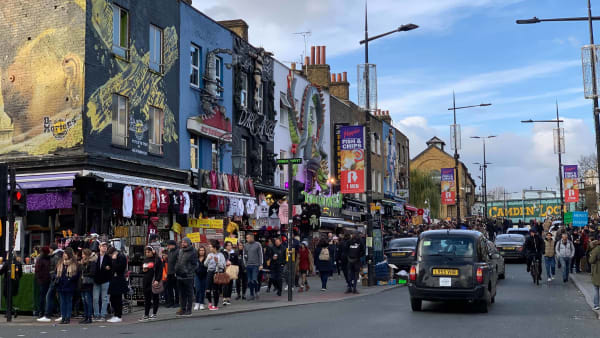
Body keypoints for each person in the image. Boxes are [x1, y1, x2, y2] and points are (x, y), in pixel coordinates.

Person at [37, 243, 63, 322]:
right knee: (58, 297)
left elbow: (56, 268)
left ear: (52, 249)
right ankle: (60, 314)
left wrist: (52, 274)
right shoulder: (58, 255)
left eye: (50, 249)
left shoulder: (55, 256)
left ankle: (48, 315)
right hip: (56, 278)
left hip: (55, 279)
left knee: (50, 296)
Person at [55, 247, 80, 324]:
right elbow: (56, 272)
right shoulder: (60, 262)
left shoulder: (74, 263)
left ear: (69, 254)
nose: (64, 255)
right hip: (61, 285)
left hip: (70, 285)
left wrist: (70, 279)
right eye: (63, 254)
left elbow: (76, 274)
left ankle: (68, 317)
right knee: (62, 302)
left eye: (65, 254)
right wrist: (56, 278)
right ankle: (63, 317)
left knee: (68, 301)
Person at [175, 237, 198, 316]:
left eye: (184, 242)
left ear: (188, 243)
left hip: (188, 276)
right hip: (179, 276)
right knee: (181, 294)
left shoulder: (193, 251)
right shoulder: (180, 251)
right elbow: (178, 261)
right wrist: (176, 269)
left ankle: (189, 310)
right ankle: (182, 309)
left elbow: (195, 265)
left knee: (189, 293)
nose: (183, 244)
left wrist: (187, 271)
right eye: (182, 242)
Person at [140, 246, 163, 321]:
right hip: (146, 280)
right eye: (146, 252)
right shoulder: (145, 260)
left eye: (148, 252)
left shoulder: (157, 259)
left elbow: (160, 271)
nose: (147, 253)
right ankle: (146, 314)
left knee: (155, 297)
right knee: (147, 298)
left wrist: (157, 280)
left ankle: (154, 313)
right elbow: (141, 271)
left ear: (152, 251)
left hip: (153, 280)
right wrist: (143, 270)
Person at [107, 247, 127, 323]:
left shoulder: (121, 257)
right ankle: (116, 314)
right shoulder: (117, 257)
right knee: (113, 298)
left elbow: (118, 268)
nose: (111, 256)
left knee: (118, 299)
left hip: (119, 280)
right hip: (114, 280)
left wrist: (114, 260)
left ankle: (119, 315)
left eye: (111, 255)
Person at [92, 242, 112, 322]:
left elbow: (111, 267)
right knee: (95, 298)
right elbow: (92, 266)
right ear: (99, 247)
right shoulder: (95, 256)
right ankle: (96, 314)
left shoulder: (108, 257)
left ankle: (103, 315)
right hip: (96, 280)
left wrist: (108, 268)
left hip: (105, 280)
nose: (104, 247)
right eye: (103, 246)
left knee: (105, 298)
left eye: (105, 246)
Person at [205, 239, 226, 311]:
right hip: (210, 272)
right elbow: (205, 264)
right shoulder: (209, 255)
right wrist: (208, 259)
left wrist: (217, 262)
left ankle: (215, 305)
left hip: (217, 273)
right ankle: (210, 302)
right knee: (207, 290)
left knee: (215, 290)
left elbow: (223, 266)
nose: (209, 248)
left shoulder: (221, 255)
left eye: (210, 247)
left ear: (215, 247)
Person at [79, 248, 97, 324]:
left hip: (88, 284)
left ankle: (89, 317)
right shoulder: (82, 263)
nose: (82, 256)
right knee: (84, 301)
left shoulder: (91, 262)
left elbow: (93, 273)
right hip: (82, 284)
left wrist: (84, 275)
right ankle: (85, 316)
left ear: (86, 255)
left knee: (88, 301)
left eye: (83, 254)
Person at [243, 234, 263, 300]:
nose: (247, 239)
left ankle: (256, 291)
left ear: (252, 238)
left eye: (248, 238)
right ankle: (252, 294)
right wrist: (245, 264)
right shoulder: (246, 245)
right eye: (246, 238)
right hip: (248, 265)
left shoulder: (258, 244)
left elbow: (260, 255)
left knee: (254, 279)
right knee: (249, 281)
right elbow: (244, 255)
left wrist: (261, 264)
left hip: (256, 265)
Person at [34, 246, 51, 319]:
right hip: (45, 280)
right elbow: (38, 270)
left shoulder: (40, 259)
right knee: (44, 296)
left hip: (44, 280)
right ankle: (42, 311)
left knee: (43, 296)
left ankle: (42, 311)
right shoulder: (46, 259)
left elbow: (37, 270)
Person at [222, 241, 238, 306]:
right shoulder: (223, 252)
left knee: (230, 284)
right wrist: (226, 262)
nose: (229, 246)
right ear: (225, 246)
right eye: (228, 245)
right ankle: (224, 298)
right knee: (225, 284)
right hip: (225, 269)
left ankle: (228, 298)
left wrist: (232, 262)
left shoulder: (234, 253)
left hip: (232, 269)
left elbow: (236, 261)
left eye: (230, 245)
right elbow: (221, 260)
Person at [165, 240, 179, 308]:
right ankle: (171, 302)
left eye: (169, 245)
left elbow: (178, 262)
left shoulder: (177, 251)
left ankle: (177, 302)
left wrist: (176, 271)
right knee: (169, 288)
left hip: (175, 272)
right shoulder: (169, 251)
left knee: (176, 288)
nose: (167, 246)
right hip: (169, 272)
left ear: (173, 245)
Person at [194, 246, 208, 311]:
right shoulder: (196, 258)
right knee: (197, 289)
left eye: (203, 250)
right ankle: (197, 303)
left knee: (202, 290)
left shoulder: (207, 258)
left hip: (204, 275)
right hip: (197, 275)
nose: (201, 252)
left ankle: (201, 303)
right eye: (200, 250)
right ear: (198, 251)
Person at [588, 239, 600, 310]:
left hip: (597, 270)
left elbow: (591, 261)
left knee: (596, 289)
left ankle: (596, 304)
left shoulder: (595, 250)